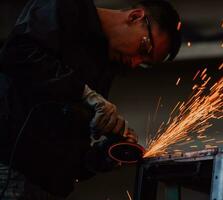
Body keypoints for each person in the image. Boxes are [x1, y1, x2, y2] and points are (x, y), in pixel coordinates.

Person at [0, 0, 181, 199]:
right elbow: (17, 53)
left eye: (144, 64)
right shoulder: (65, 8)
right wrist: (84, 94)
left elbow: (73, 152)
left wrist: (106, 153)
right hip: (10, 169)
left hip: (47, 187)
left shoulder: (103, 64)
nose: (135, 62)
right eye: (144, 48)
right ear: (136, 16)